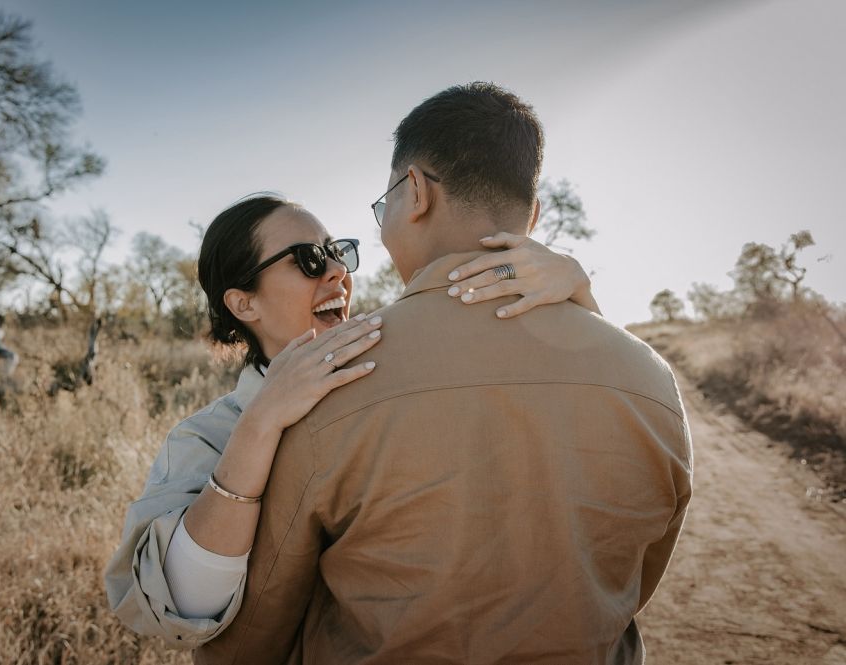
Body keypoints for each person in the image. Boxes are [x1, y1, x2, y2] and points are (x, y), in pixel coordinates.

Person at [195, 82, 693, 665]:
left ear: (415, 192)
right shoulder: (652, 381)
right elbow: (633, 583)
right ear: (531, 215)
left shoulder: (332, 378)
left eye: (383, 207)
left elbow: (259, 626)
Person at [104, 193, 600, 647]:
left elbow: (570, 422)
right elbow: (184, 608)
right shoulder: (208, 437)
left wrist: (579, 296)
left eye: (337, 251)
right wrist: (261, 426)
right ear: (244, 302)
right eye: (309, 259)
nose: (338, 272)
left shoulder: (409, 377)